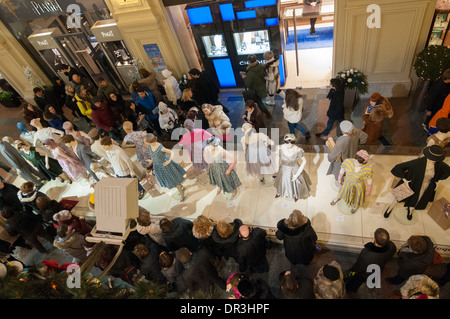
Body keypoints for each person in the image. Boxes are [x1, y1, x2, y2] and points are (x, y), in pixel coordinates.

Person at [388, 145, 450, 220]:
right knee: (398, 197)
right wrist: (405, 180)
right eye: (432, 159)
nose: (434, 161)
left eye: (436, 159)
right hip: (412, 183)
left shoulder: (439, 165)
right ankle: (389, 208)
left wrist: (438, 181)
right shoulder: (417, 163)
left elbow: (447, 171)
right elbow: (398, 168)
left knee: (416, 200)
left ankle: (410, 211)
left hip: (425, 185)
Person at [345, 228, 396, 293]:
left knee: (356, 280)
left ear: (374, 238)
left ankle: (350, 290)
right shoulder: (392, 247)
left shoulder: (366, 254)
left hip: (366, 273)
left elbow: (359, 267)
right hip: (378, 269)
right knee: (373, 279)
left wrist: (352, 270)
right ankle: (372, 285)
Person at [145, 133, 186, 201]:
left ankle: (182, 194)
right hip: (158, 167)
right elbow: (153, 156)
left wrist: (169, 161)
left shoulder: (160, 147)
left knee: (174, 180)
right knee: (171, 180)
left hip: (165, 166)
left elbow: (171, 152)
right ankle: (181, 187)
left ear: (149, 141)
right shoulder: (150, 146)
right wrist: (151, 161)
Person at [330, 150, 373, 214]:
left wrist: (368, 190)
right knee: (342, 190)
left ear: (364, 162)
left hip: (358, 185)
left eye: (359, 163)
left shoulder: (368, 169)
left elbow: (369, 180)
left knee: (356, 196)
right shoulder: (348, 161)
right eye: (355, 160)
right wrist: (339, 178)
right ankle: (337, 198)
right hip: (347, 182)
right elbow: (342, 169)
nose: (356, 163)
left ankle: (355, 207)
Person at [274, 134, 312, 202]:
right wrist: (276, 167)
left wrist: (297, 174)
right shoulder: (279, 148)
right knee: (282, 181)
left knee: (296, 184)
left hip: (295, 168)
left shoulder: (298, 150)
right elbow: (277, 157)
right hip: (284, 168)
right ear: (284, 141)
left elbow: (304, 161)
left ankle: (296, 194)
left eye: (291, 142)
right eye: (286, 142)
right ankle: (279, 192)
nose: (289, 145)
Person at [242, 54, 271, 118]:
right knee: (259, 101)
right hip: (262, 87)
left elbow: (248, 84)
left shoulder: (250, 72)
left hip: (255, 90)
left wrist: (244, 78)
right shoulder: (261, 66)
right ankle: (263, 113)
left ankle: (267, 114)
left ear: (249, 61)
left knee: (259, 103)